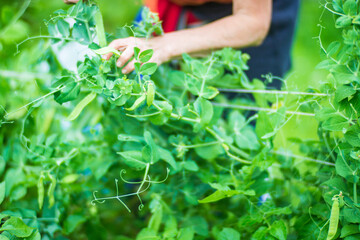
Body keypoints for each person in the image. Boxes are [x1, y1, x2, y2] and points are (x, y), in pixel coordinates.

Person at [64, 0, 299, 89]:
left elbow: (252, 21)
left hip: (250, 13)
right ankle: (133, 190)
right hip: (172, 4)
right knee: (139, 98)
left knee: (237, 120)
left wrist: (162, 46)